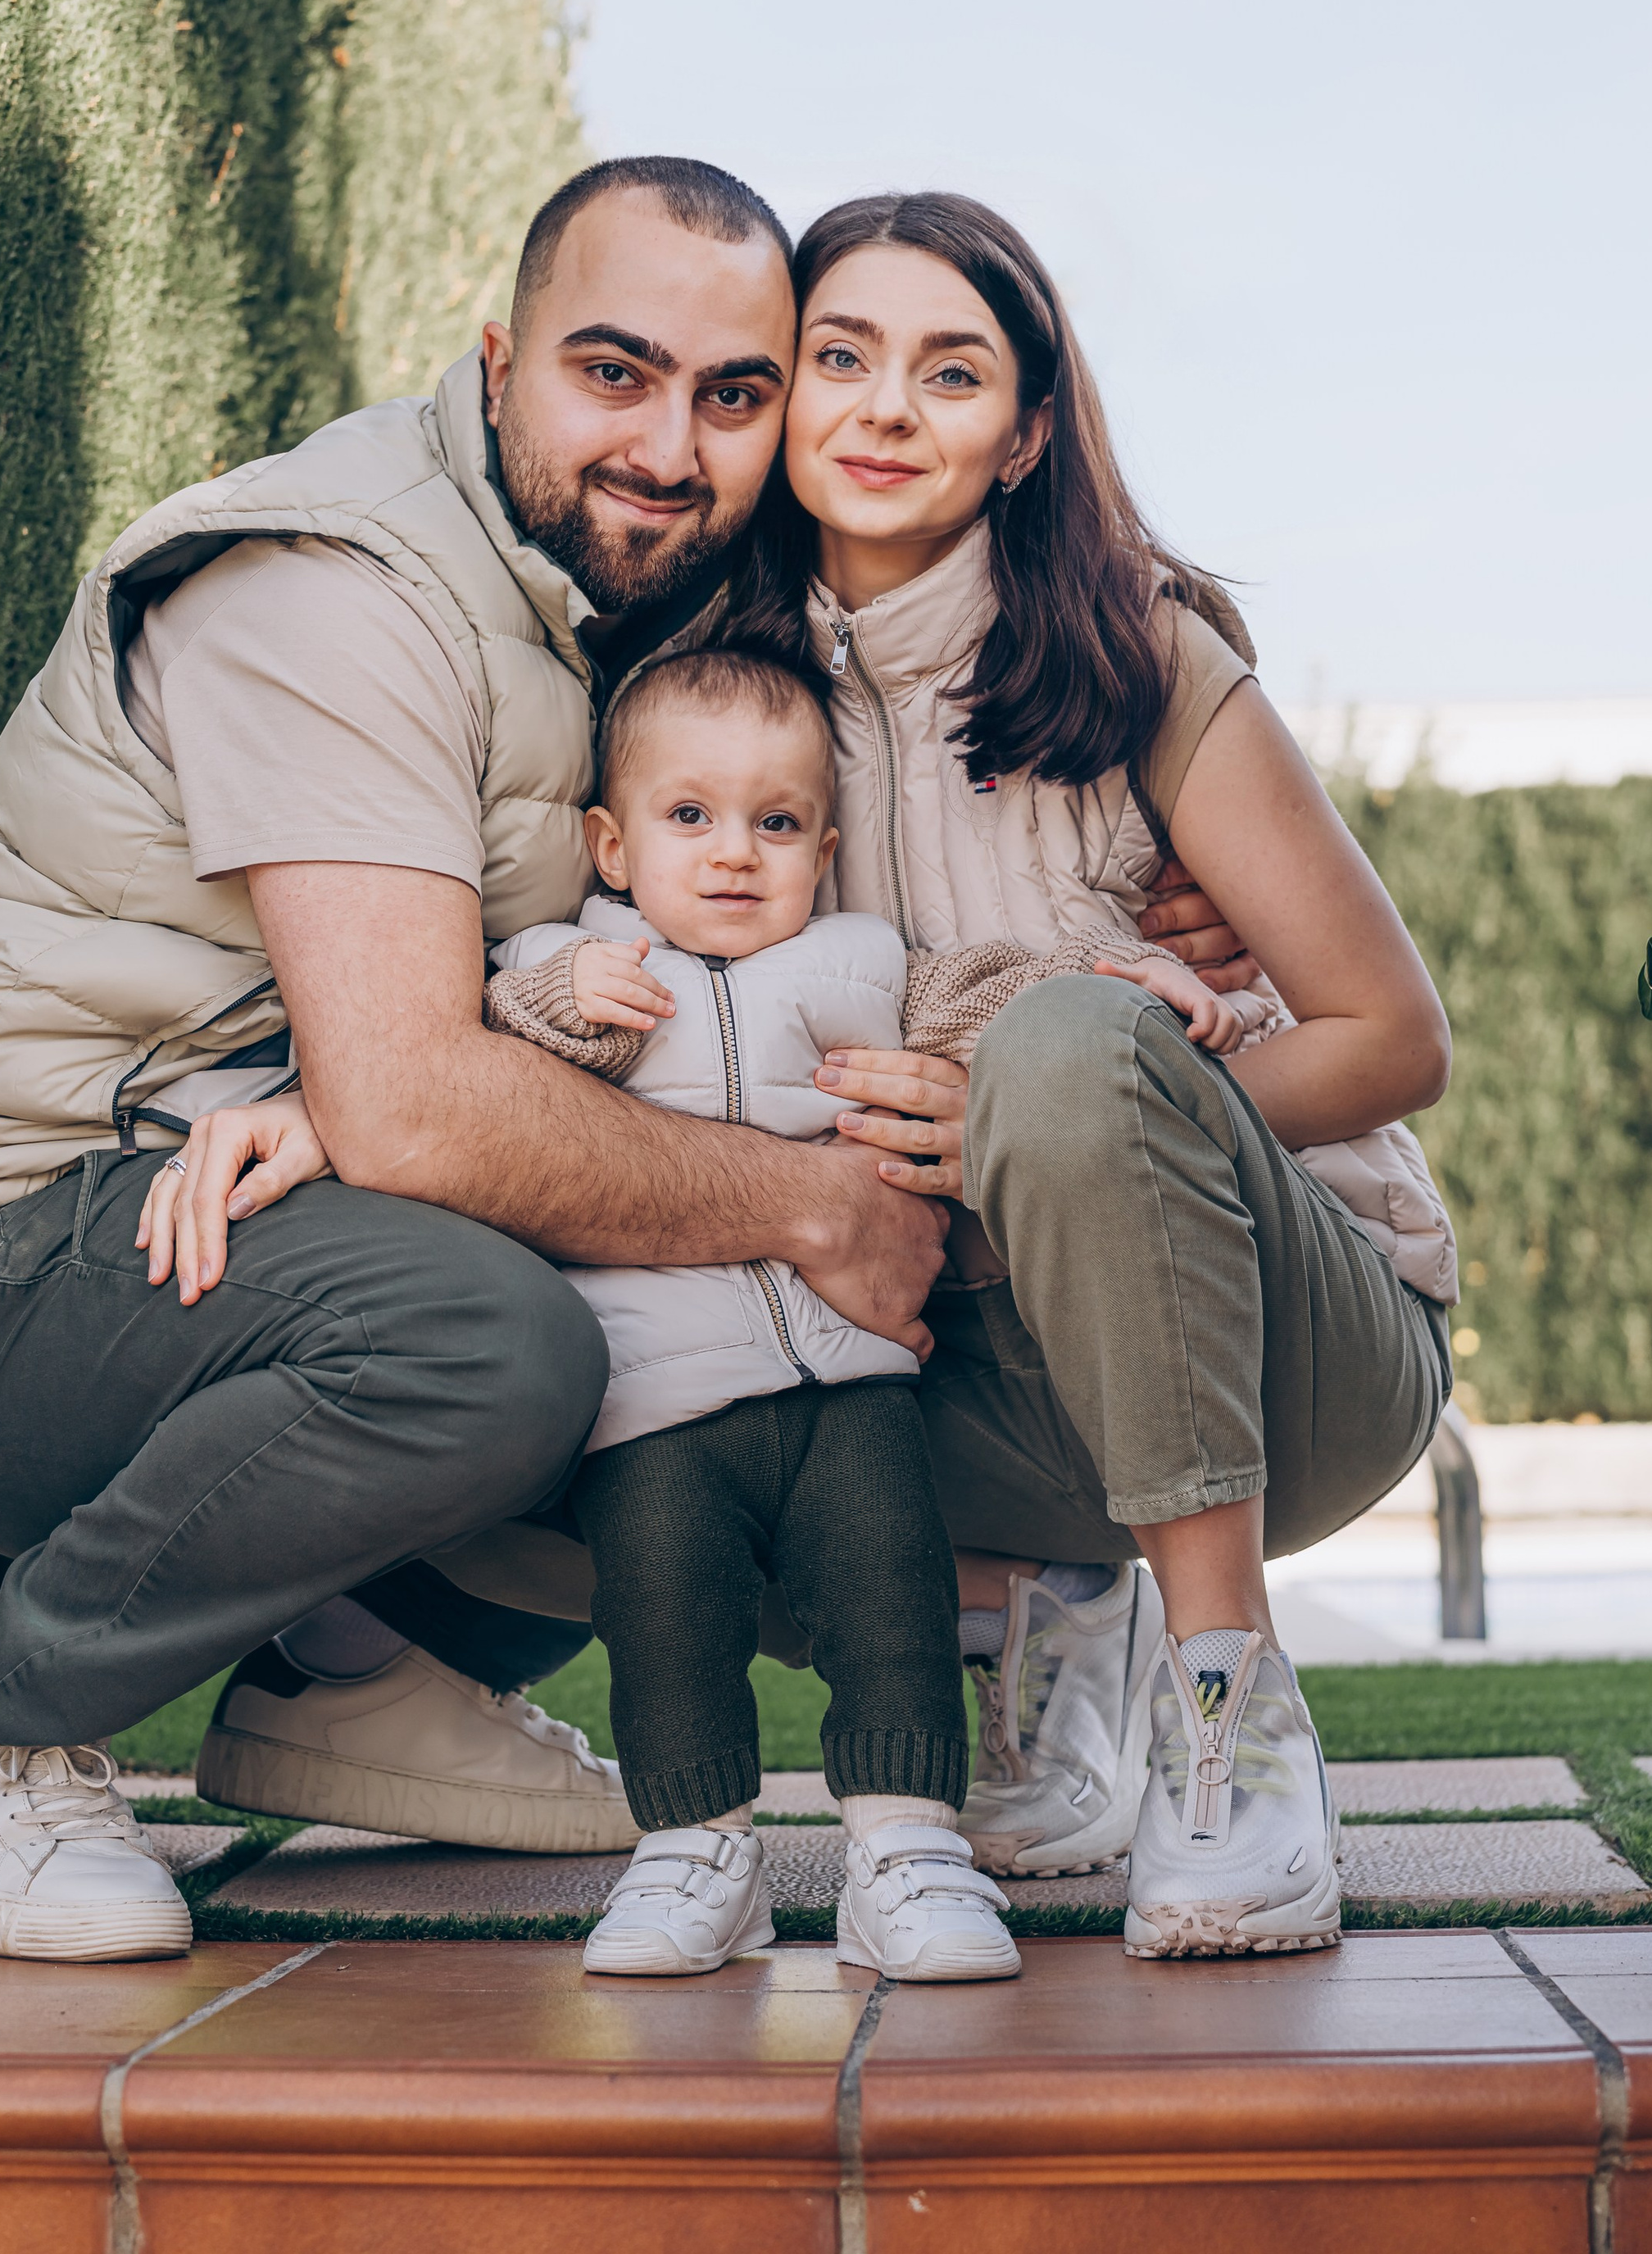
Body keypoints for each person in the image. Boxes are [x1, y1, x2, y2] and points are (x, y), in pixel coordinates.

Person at [0, 158, 971, 1961]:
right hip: (8, 1254)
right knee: (502, 1338)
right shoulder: (333, 588)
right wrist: (815, 1206)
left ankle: (360, 1673)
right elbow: (417, 1103)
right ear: (497, 365)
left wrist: (1140, 932)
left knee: (701, 1344)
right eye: (613, 371)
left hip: (258, 1201)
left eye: (730, 395)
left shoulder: (632, 591)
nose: (669, 444)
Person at [750, 189, 1456, 1960]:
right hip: (973, 1368)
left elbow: (1390, 1040)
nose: (882, 409)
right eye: (838, 356)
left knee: (1067, 1038)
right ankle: (1036, 1611)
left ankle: (1229, 1712)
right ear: (775, 390)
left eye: (949, 371)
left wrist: (1089, 1076)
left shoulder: (1132, 658)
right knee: (553, 1335)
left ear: (1026, 431)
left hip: (1295, 1354)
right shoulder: (695, 696)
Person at [483, 642, 1247, 1980]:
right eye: (688, 818)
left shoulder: (862, 962)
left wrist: (1124, 980)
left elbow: (997, 997)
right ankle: (694, 1853)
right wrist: (552, 994)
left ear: (823, 849)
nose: (734, 854)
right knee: (666, 1616)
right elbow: (481, 1052)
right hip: (652, 1403)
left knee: (895, 1604)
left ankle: (907, 1851)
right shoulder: (581, 963)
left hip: (853, 1387)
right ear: (610, 846)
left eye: (775, 824)